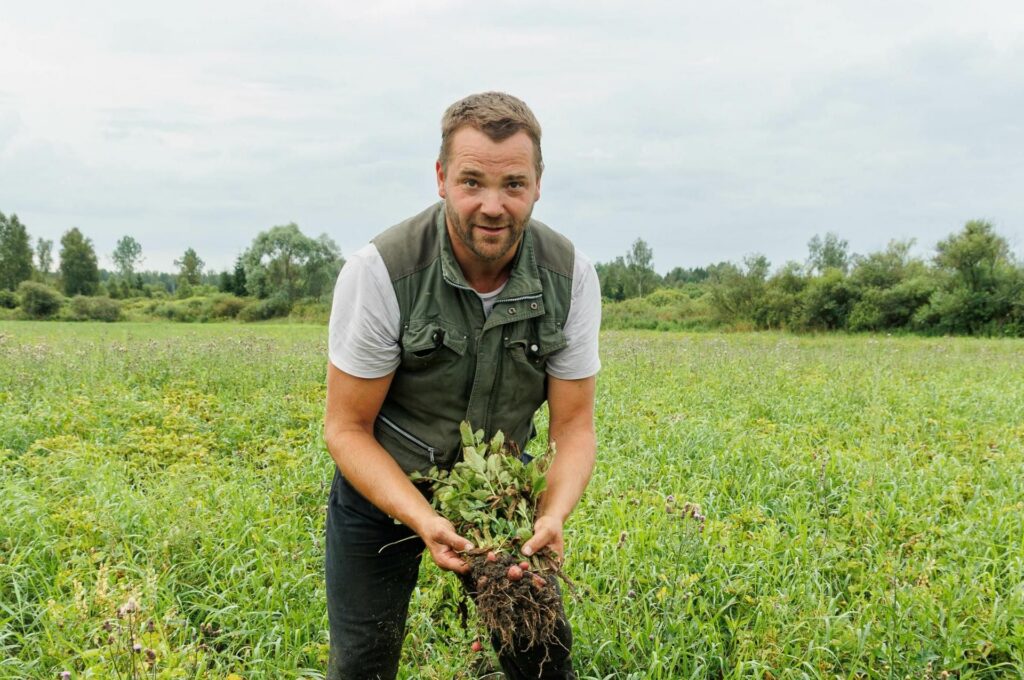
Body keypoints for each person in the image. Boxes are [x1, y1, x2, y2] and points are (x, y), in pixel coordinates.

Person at [323, 91, 601, 680]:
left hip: (496, 496)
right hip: (384, 489)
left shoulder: (569, 275)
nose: (493, 206)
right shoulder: (381, 272)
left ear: (538, 184)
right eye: (472, 182)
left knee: (545, 661)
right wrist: (423, 519)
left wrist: (551, 514)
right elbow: (346, 429)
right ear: (443, 178)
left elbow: (573, 426)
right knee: (362, 665)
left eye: (514, 185)